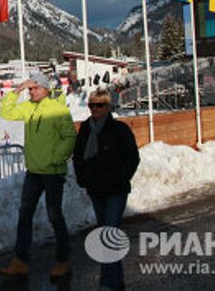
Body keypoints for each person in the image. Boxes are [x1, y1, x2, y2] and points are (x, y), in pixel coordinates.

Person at [0, 71, 77, 279]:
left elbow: (70, 136)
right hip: (33, 172)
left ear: (45, 88)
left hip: (52, 172)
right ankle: (20, 261)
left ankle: (63, 260)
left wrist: (56, 158)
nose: (31, 91)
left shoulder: (58, 109)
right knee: (24, 215)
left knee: (54, 215)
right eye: (30, 88)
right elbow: (5, 113)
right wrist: (17, 90)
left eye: (34, 88)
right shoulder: (28, 108)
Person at [73, 88, 140, 290]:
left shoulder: (119, 129)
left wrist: (120, 179)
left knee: (109, 234)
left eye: (99, 105)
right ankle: (115, 281)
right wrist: (82, 178)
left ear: (108, 107)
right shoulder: (85, 128)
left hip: (115, 191)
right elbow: (78, 156)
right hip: (96, 189)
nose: (95, 108)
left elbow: (132, 158)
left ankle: (107, 283)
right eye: (92, 105)